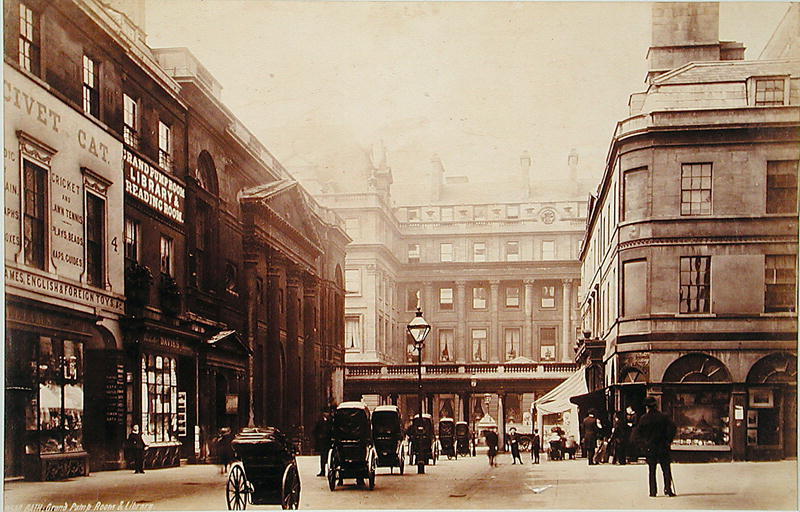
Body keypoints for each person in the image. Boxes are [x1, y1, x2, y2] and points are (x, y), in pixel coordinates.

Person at [632, 397, 677, 497]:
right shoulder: (663, 417)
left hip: (650, 447)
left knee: (652, 471)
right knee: (666, 469)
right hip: (662, 447)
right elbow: (673, 428)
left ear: (647, 407)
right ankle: (668, 489)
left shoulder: (644, 418)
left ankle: (653, 491)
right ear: (656, 406)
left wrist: (644, 444)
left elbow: (637, 434)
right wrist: (668, 440)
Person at [312, 410, 331, 477]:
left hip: (329, 441)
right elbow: (315, 430)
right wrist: (319, 437)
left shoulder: (331, 421)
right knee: (323, 457)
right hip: (323, 442)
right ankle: (322, 471)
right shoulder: (320, 421)